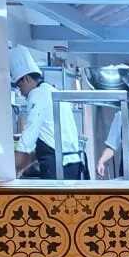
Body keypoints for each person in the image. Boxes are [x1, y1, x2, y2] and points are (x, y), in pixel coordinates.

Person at [10, 46, 83, 180]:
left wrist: (11, 170)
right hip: (72, 165)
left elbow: (28, 139)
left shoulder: (37, 95)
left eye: (20, 87)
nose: (21, 92)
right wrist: (22, 167)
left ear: (26, 79)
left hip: (58, 168)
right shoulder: (50, 91)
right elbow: (45, 141)